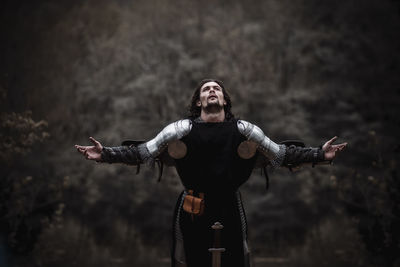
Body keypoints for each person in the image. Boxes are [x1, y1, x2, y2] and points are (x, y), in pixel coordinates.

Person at [75, 79, 347, 267]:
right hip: (192, 205)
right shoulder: (179, 129)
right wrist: (106, 154)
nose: (212, 91)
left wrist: (319, 154)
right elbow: (144, 152)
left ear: (225, 100)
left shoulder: (245, 130)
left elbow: (282, 154)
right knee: (187, 261)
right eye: (206, 89)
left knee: (238, 261)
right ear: (198, 102)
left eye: (217, 88)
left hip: (230, 204)